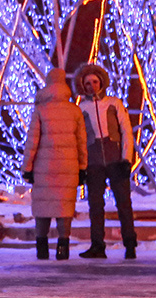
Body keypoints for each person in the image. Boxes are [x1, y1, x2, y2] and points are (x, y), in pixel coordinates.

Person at [71, 62, 137, 260]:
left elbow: (126, 131)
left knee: (124, 204)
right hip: (94, 162)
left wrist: (127, 158)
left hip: (116, 159)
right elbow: (79, 139)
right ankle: (97, 245)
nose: (92, 86)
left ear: (102, 82)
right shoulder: (81, 108)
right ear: (83, 86)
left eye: (95, 81)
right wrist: (82, 166)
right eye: (88, 83)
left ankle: (130, 244)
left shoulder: (114, 103)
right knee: (95, 205)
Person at [22, 67, 86, 261]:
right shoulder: (74, 111)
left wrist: (27, 168)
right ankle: (62, 249)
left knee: (42, 209)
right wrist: (83, 167)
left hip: (44, 167)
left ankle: (41, 249)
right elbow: (81, 142)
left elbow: (32, 142)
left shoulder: (41, 110)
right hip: (69, 167)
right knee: (64, 209)